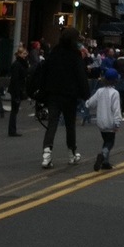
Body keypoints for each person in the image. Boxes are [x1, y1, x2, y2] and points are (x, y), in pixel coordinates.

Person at [39, 25, 90, 169]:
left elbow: (45, 72)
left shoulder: (54, 52)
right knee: (70, 125)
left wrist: (43, 92)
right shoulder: (75, 55)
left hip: (53, 93)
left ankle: (46, 153)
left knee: (52, 123)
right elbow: (81, 76)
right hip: (69, 95)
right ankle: (71, 153)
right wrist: (85, 94)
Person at [86, 67, 122, 170]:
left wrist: (87, 103)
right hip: (110, 122)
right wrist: (117, 123)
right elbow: (116, 110)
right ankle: (103, 155)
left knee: (105, 140)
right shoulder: (115, 93)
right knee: (110, 142)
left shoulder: (99, 91)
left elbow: (91, 103)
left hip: (101, 121)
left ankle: (106, 162)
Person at [8, 46, 29, 136]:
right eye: (24, 53)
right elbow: (15, 80)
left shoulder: (20, 64)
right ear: (19, 54)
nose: (25, 55)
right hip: (16, 90)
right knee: (14, 110)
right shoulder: (18, 64)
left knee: (15, 110)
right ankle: (12, 130)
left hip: (17, 89)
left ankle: (12, 129)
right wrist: (17, 93)